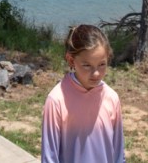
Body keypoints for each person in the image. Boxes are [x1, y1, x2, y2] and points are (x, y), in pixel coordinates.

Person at [41, 24, 125, 163]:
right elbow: (49, 158)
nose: (96, 73)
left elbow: (118, 155)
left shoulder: (111, 98)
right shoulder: (56, 100)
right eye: (87, 65)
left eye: (102, 64)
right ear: (71, 60)